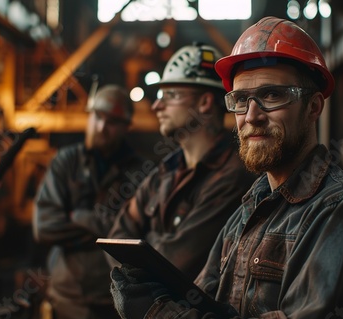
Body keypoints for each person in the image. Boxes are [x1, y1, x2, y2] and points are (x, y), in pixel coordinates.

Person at [109, 17, 343, 319]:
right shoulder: (250, 209)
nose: (252, 116)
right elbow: (205, 303)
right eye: (242, 100)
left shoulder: (340, 210)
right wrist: (156, 288)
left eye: (272, 95)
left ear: (313, 107)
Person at [106, 42, 257, 282]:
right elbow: (115, 240)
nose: (157, 106)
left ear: (205, 103)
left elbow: (172, 266)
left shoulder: (232, 178)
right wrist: (148, 251)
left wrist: (144, 244)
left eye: (171, 95)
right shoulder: (165, 171)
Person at [33, 84, 144, 319]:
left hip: (115, 308)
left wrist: (80, 217)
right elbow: (44, 228)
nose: (101, 127)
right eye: (97, 116)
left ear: (127, 126)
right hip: (66, 303)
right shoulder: (66, 161)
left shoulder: (139, 172)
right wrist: (105, 231)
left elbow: (135, 239)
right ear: (89, 115)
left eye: (113, 121)